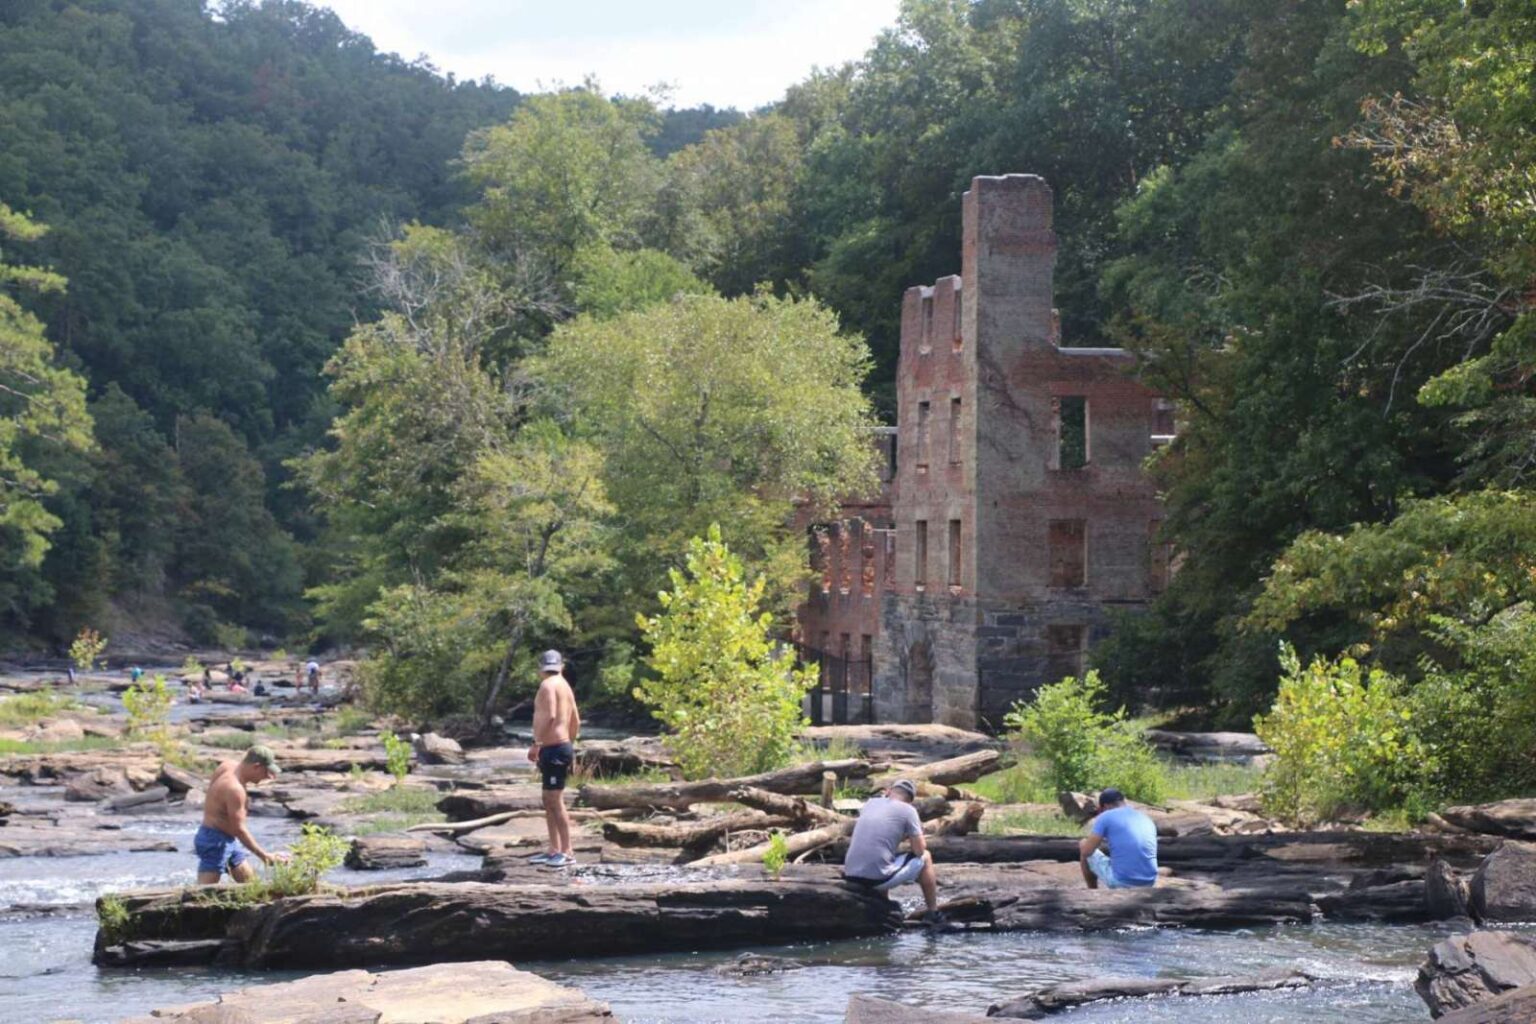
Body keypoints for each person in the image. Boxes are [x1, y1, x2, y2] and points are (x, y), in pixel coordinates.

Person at [842, 779, 947, 927]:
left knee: (886, 858)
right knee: (926, 857)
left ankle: (884, 905)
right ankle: (933, 912)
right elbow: (919, 850)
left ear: (889, 791)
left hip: (851, 873)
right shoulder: (908, 810)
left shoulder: (870, 803)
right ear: (910, 800)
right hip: (875, 878)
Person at [195, 746, 288, 884]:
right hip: (215, 843)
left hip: (224, 838)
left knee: (252, 886)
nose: (268, 777)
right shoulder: (235, 789)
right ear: (256, 766)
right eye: (266, 772)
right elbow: (239, 829)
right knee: (200, 896)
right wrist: (264, 856)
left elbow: (213, 797)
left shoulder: (227, 766)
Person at [527, 650, 580, 868]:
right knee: (548, 800)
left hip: (553, 749)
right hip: (560, 747)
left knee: (555, 801)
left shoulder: (548, 686)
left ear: (541, 668)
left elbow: (548, 716)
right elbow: (575, 719)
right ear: (561, 666)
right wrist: (570, 743)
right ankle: (553, 849)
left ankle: (567, 852)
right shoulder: (565, 686)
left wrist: (536, 744)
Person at [1079, 787, 1159, 889]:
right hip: (1149, 881)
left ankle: (1092, 891)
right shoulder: (1145, 818)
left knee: (1083, 844)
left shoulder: (1105, 816)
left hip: (1121, 882)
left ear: (1105, 806)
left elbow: (1087, 851)